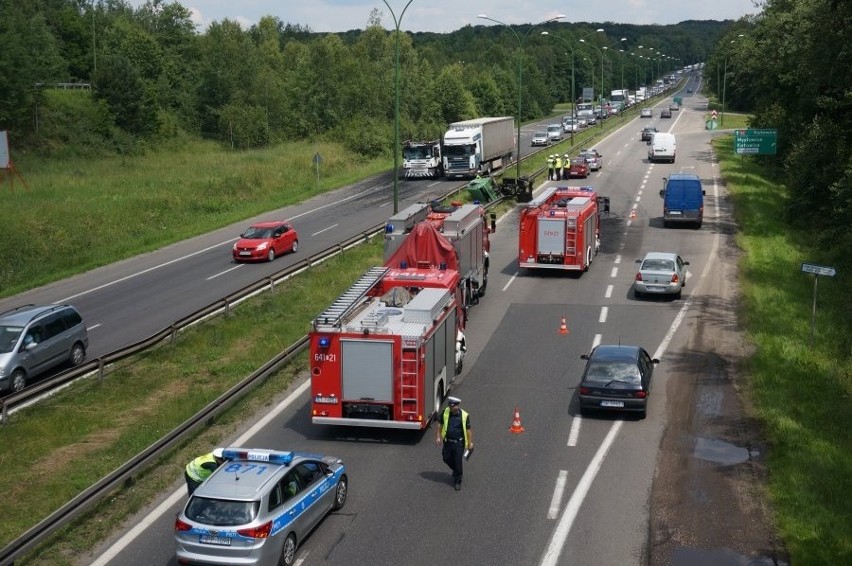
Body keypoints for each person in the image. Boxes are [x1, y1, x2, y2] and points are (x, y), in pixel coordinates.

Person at [435, 396, 473, 491]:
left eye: (453, 407)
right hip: (447, 442)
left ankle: (457, 481)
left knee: (457, 461)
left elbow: (468, 430)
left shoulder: (464, 415)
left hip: (458, 443)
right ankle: (457, 470)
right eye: (450, 406)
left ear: (457, 406)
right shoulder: (446, 412)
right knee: (446, 458)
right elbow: (440, 424)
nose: (451, 408)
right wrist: (438, 436)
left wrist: (470, 443)